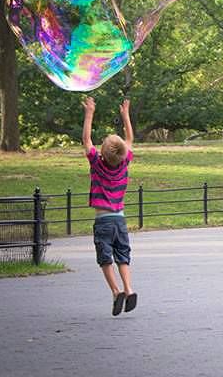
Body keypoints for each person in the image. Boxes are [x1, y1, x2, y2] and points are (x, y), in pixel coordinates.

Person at [82, 97, 137, 315]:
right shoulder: (124, 162)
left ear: (102, 153)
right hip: (120, 219)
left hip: (103, 221)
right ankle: (129, 289)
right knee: (122, 255)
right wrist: (126, 116)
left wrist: (89, 113)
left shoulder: (97, 163)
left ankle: (115, 291)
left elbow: (86, 140)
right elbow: (130, 139)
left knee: (105, 258)